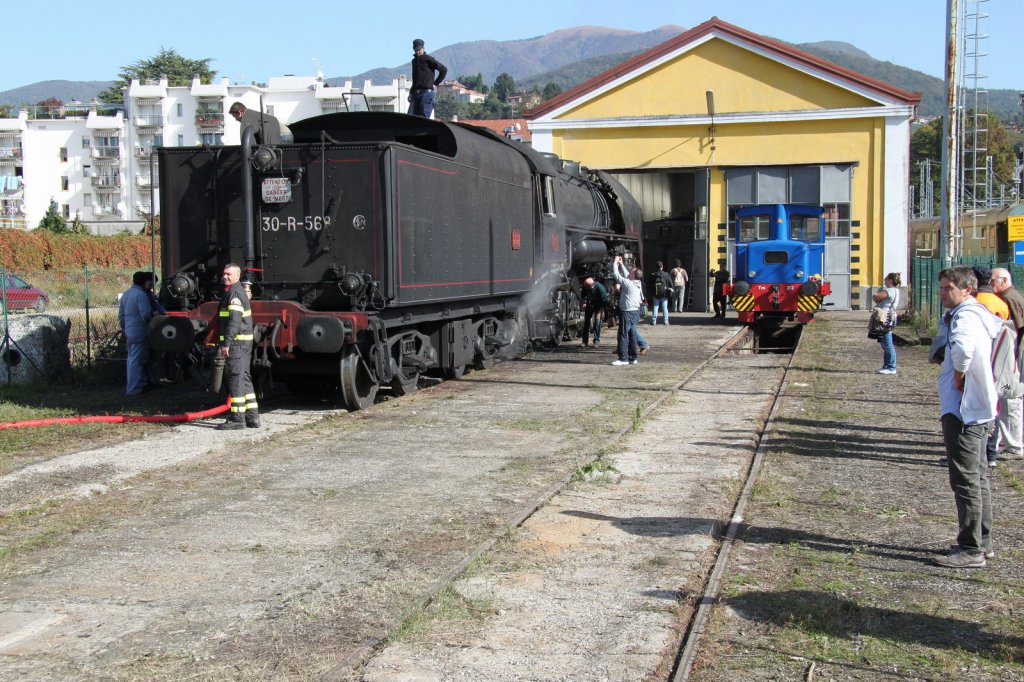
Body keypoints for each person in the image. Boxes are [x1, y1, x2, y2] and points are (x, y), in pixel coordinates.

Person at [933, 265, 1000, 568]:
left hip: (964, 409)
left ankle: (972, 548)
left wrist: (959, 374)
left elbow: (962, 349)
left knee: (965, 479)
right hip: (978, 406)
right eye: (942, 287)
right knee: (978, 476)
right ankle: (982, 542)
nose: (942, 293)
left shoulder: (965, 317)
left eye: (948, 288)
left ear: (967, 289)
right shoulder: (980, 314)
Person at [217, 264, 260, 430]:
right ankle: (252, 417)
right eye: (224, 273)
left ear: (237, 276)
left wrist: (226, 343)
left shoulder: (234, 294)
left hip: (236, 344)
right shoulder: (238, 292)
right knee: (245, 378)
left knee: (235, 379)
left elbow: (234, 322)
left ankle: (238, 418)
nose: (225, 276)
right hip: (243, 344)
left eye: (228, 274)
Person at [989, 267, 1024, 463]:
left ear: (1003, 281)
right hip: (1013, 355)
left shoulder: (1009, 298)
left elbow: (1017, 329)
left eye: (993, 280)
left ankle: (1014, 445)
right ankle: (1007, 441)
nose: (991, 283)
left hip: (1013, 357)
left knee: (1010, 399)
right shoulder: (1010, 296)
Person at [118, 271, 157, 396]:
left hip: (129, 331)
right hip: (141, 331)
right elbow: (145, 315)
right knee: (136, 360)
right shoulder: (141, 295)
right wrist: (154, 316)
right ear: (144, 282)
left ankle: (141, 384)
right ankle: (134, 389)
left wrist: (126, 328)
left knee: (132, 359)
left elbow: (121, 316)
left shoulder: (126, 294)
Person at [611, 256, 642, 366]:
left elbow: (617, 276)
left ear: (633, 275)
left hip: (627, 312)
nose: (628, 272)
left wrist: (615, 263)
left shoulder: (629, 284)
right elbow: (627, 274)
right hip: (635, 312)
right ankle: (633, 358)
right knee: (632, 335)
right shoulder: (638, 283)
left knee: (623, 335)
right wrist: (621, 264)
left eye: (631, 272)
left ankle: (623, 358)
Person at [408, 39, 447, 119]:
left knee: (424, 119)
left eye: (419, 50)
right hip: (416, 94)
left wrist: (436, 83)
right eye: (416, 50)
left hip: (426, 94)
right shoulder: (414, 61)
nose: (417, 52)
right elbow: (415, 79)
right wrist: (411, 93)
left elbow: (443, 69)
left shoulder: (428, 59)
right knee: (412, 119)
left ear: (423, 48)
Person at [871, 272, 901, 375]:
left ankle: (891, 367)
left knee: (887, 343)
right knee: (885, 342)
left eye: (886, 279)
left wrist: (875, 296)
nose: (885, 281)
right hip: (890, 316)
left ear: (891, 280)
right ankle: (887, 365)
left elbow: (876, 297)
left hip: (885, 317)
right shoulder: (896, 291)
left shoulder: (890, 291)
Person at [581, 277, 609, 348]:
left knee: (597, 322)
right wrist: (583, 303)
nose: (585, 287)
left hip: (599, 306)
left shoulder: (600, 288)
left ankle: (596, 340)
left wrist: (602, 311)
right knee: (586, 323)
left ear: (591, 285)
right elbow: (582, 296)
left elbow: (604, 300)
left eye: (586, 286)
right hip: (589, 305)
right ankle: (585, 341)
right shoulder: (585, 286)